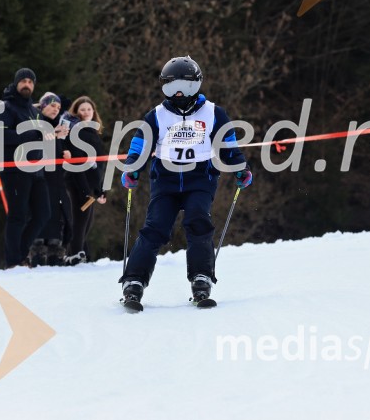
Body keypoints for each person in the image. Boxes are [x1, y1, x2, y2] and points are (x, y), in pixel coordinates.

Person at [119, 56, 252, 307]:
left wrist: (240, 168)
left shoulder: (213, 113)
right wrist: (132, 167)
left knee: (198, 221)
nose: (178, 93)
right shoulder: (157, 115)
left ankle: (201, 277)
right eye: (171, 87)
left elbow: (228, 145)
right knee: (155, 226)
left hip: (200, 179)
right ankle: (134, 280)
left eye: (185, 86)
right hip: (166, 181)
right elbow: (139, 144)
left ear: (197, 85)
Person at [0, 68, 52, 268]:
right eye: (23, 81)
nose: (26, 84)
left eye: (30, 81)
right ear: (16, 83)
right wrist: (35, 134)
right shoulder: (6, 107)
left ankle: (19, 253)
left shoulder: (35, 111)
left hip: (36, 170)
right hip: (15, 169)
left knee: (43, 213)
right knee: (17, 215)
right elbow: (0, 135)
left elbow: (41, 137)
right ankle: (14, 260)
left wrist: (54, 135)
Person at [63, 95, 107, 265]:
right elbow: (78, 161)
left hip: (91, 181)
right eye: (82, 109)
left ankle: (77, 252)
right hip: (78, 180)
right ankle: (73, 254)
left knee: (87, 220)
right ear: (76, 111)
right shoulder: (77, 131)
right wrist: (85, 188)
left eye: (89, 109)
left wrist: (99, 188)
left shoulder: (92, 131)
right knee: (81, 219)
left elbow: (98, 163)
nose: (86, 112)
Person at [31, 91, 72, 266]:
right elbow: (32, 143)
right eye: (52, 105)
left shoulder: (57, 124)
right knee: (41, 209)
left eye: (58, 107)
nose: (56, 110)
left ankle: (56, 249)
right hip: (39, 174)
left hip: (56, 175)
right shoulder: (35, 121)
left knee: (58, 211)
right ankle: (37, 250)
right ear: (43, 106)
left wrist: (64, 151)